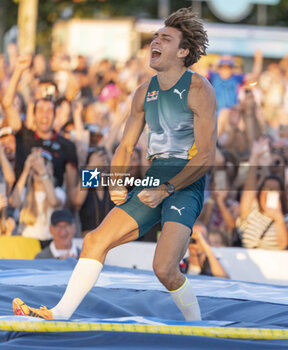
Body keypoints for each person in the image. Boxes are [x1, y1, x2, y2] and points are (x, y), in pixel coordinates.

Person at [12, 7, 217, 321]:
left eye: (165, 38)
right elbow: (124, 147)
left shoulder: (200, 89)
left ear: (183, 51)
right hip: (155, 177)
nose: (155, 42)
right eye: (155, 36)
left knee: (164, 269)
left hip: (184, 184)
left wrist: (166, 190)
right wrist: (117, 180)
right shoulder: (142, 93)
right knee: (95, 239)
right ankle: (59, 313)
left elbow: (205, 157)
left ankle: (200, 326)